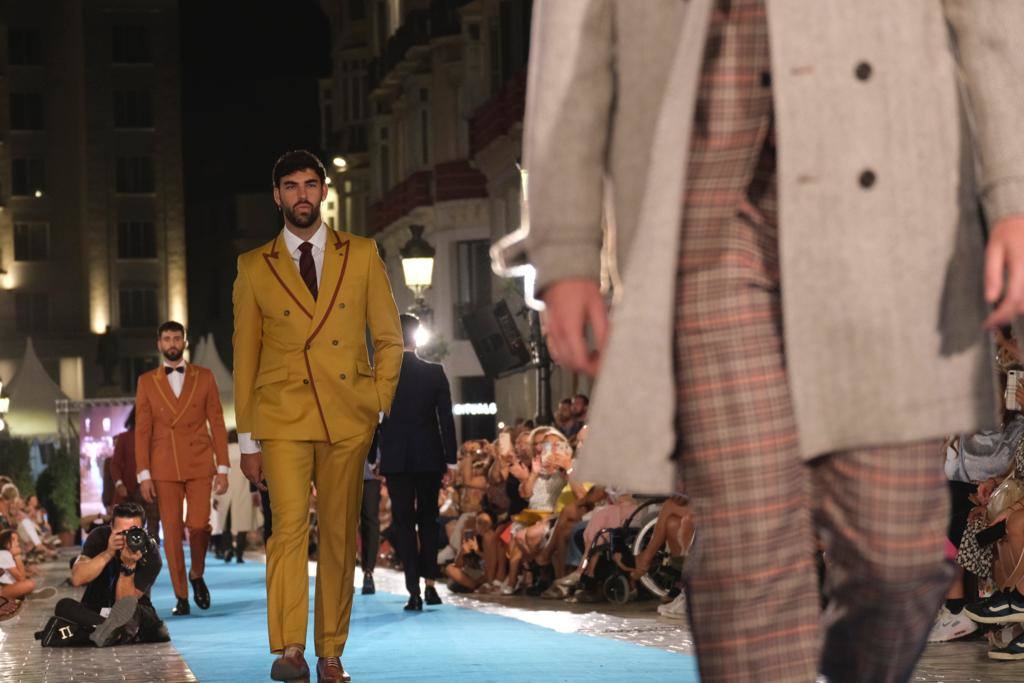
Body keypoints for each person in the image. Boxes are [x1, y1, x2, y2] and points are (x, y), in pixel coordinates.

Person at [513, 2, 1024, 681]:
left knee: (898, 553)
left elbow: (990, 16)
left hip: (893, 190)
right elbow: (573, 33)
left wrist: (1013, 188)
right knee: (750, 538)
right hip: (706, 205)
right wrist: (567, 246)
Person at [233, 149, 403, 683]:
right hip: (282, 414)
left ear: (324, 191)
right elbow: (245, 357)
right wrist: (246, 440)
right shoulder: (253, 266)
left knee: (337, 534)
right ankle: (290, 649)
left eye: (310, 184)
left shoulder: (364, 253)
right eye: (291, 186)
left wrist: (377, 401)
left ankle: (331, 652)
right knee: (286, 531)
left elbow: (390, 339)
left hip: (348, 414)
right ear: (277, 195)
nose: (301, 194)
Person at [134, 320, 230, 617]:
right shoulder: (147, 381)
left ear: (185, 342)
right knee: (172, 533)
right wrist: (144, 473)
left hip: (200, 460)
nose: (172, 343)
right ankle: (181, 595)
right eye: (167, 338)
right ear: (159, 344)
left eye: (177, 338)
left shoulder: (204, 376)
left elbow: (216, 420)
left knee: (199, 524)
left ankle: (197, 573)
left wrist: (224, 466)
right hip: (164, 464)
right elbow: (142, 430)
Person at [378, 313, 458, 611]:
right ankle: (431, 584)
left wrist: (376, 455)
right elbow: (445, 420)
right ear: (417, 335)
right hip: (429, 456)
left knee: (403, 523)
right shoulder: (434, 372)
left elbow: (376, 420)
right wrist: (450, 461)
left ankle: (413, 590)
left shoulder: (384, 374)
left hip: (397, 457)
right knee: (428, 519)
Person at [59, 501, 169, 647]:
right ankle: (111, 633)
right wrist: (108, 553)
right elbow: (77, 578)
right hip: (96, 610)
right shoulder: (99, 536)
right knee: (64, 605)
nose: (127, 538)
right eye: (121, 533)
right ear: (111, 528)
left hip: (130, 613)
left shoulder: (151, 552)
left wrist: (128, 566)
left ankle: (100, 632)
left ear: (144, 530)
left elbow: (124, 604)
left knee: (141, 618)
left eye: (133, 531)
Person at [109, 408, 161, 541]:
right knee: (131, 527)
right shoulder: (124, 438)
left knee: (153, 525)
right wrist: (119, 484)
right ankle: (133, 556)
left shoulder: (157, 438)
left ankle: (151, 556)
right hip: (130, 490)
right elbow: (114, 464)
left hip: (153, 488)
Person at [359, 430, 383, 595]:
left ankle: (368, 572)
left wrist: (379, 462)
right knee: (344, 522)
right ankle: (343, 573)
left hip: (371, 471)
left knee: (371, 521)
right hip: (344, 469)